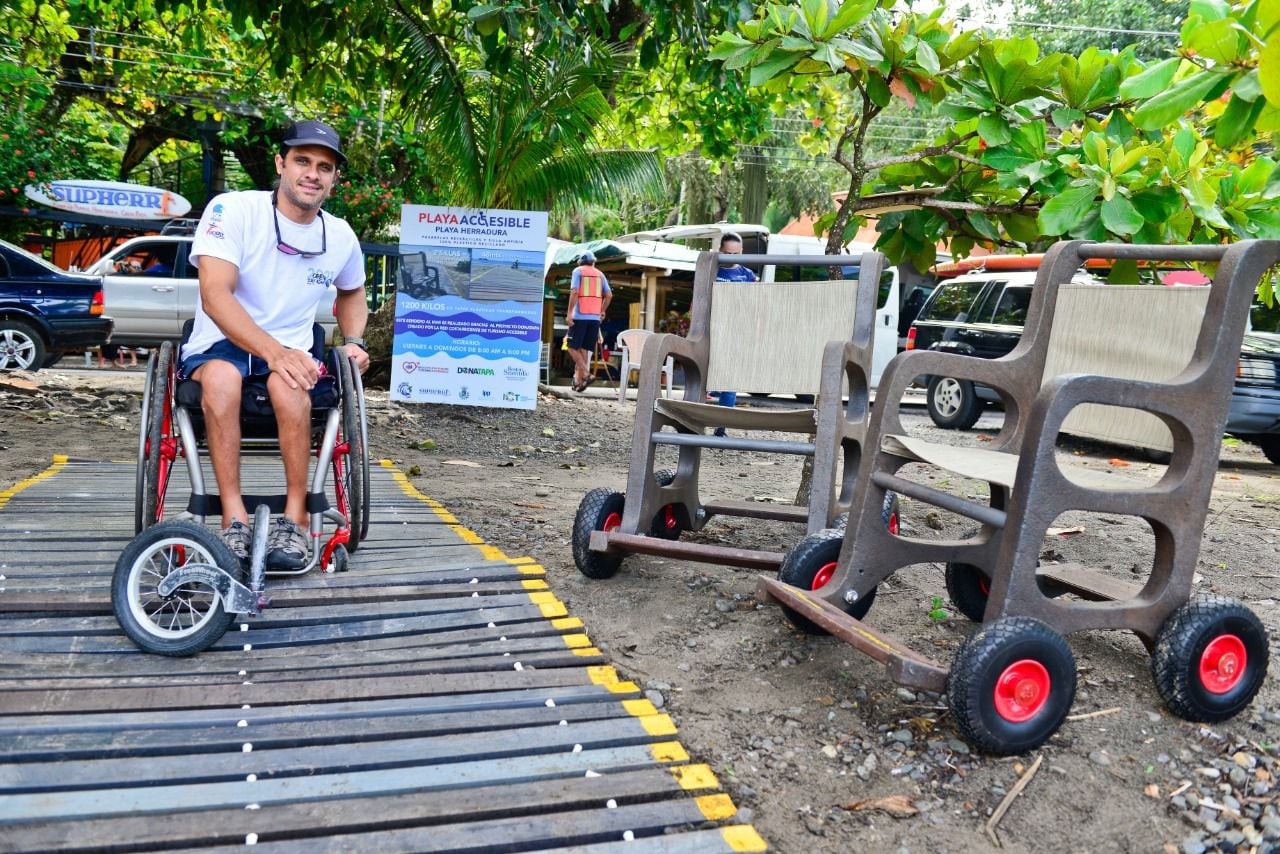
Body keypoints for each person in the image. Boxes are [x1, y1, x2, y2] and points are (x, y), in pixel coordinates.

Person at [180, 119, 369, 571]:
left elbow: (353, 292)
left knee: (290, 387)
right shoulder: (233, 210)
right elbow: (215, 294)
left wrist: (355, 339)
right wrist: (273, 353)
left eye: (324, 167)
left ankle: (296, 516)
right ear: (281, 163)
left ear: (334, 179)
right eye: (302, 161)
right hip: (221, 344)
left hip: (292, 350)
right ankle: (233, 517)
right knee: (224, 379)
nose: (313, 174)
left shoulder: (339, 235)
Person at [712, 233, 758, 436]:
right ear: (720, 251)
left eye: (735, 253)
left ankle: (721, 428)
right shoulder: (710, 270)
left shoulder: (747, 275)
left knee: (730, 382)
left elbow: (757, 302)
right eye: (727, 253)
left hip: (736, 332)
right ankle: (693, 425)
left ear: (741, 252)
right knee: (706, 378)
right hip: (712, 331)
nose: (731, 257)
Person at [565, 251, 612, 392]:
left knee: (571, 346)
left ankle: (586, 374)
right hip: (594, 319)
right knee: (584, 349)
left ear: (580, 261)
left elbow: (574, 292)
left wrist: (569, 313)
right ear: (593, 262)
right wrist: (601, 310)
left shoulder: (577, 271)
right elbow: (608, 295)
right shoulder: (600, 274)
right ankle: (579, 382)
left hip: (580, 316)